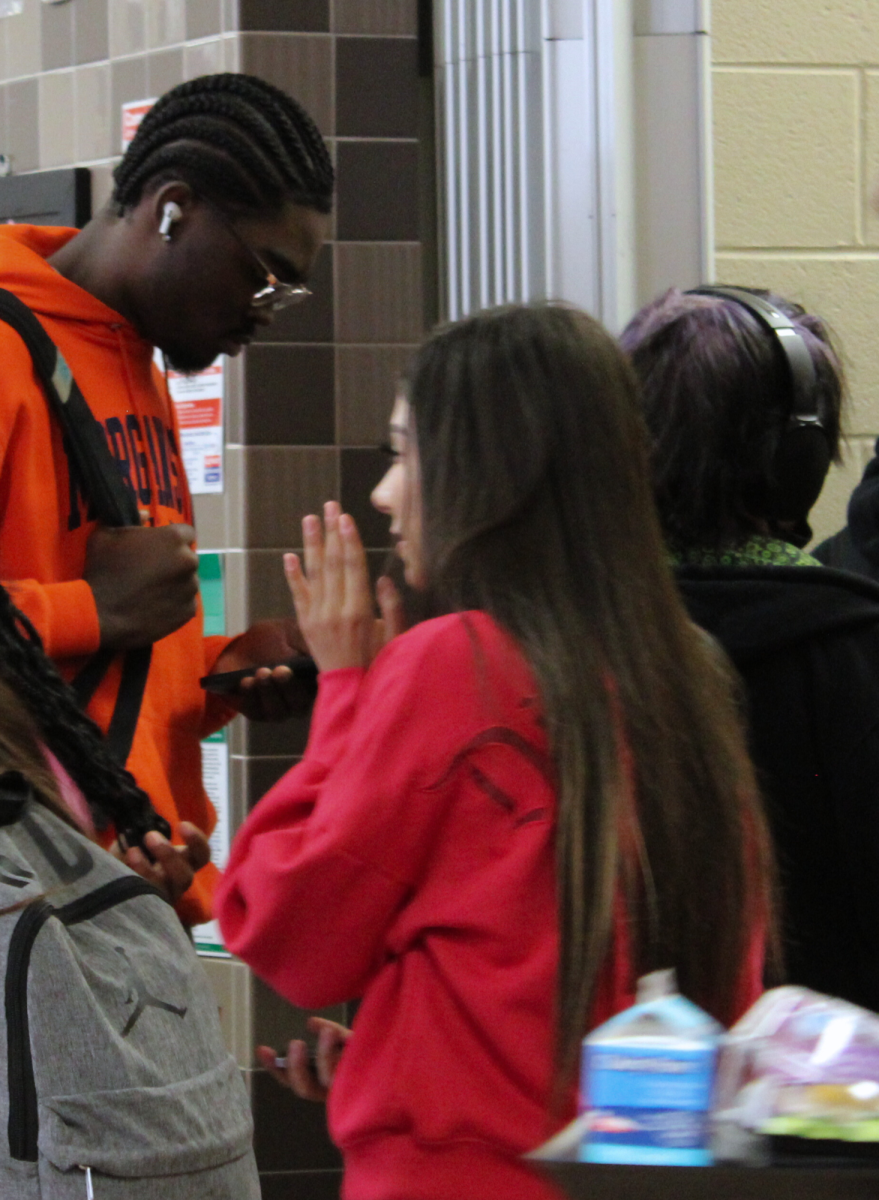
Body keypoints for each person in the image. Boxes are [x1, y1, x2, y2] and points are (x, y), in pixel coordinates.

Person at [215, 304, 771, 1200]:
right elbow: (605, 977)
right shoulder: (685, 674)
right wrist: (411, 1041)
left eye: (403, 454)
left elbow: (285, 927)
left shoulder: (452, 664)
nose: (386, 494)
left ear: (490, 474)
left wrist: (350, 686)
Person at [0, 72, 334, 924]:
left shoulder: (136, 366)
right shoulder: (8, 352)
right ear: (172, 208)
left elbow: (107, 668)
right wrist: (92, 609)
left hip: (117, 896)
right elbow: (97, 614)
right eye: (264, 276)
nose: (268, 313)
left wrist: (216, 675)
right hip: (27, 916)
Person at [621, 285, 879, 1011]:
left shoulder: (564, 641)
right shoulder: (852, 645)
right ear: (798, 455)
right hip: (823, 1094)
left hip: (618, 1095)